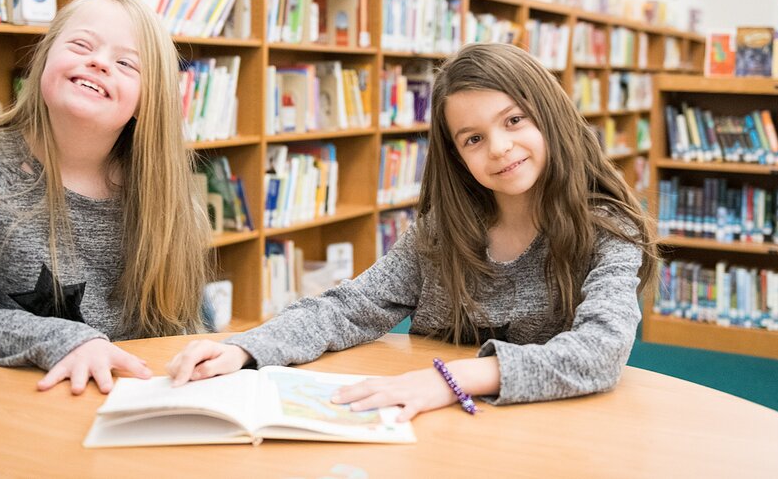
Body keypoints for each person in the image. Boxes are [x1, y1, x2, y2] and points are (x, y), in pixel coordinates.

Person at [167, 42, 657, 421]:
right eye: (474, 138)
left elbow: (601, 350)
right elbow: (351, 308)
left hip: (546, 435)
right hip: (430, 429)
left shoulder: (606, 229)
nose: (500, 148)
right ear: (458, 158)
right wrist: (247, 346)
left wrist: (451, 379)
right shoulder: (441, 233)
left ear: (549, 116)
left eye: (514, 120)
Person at [0, 0, 209, 394]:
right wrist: (63, 341)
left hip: (113, 399)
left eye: (125, 63)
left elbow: (176, 328)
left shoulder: (166, 194)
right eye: (81, 44)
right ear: (44, 59)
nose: (98, 62)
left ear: (146, 100)